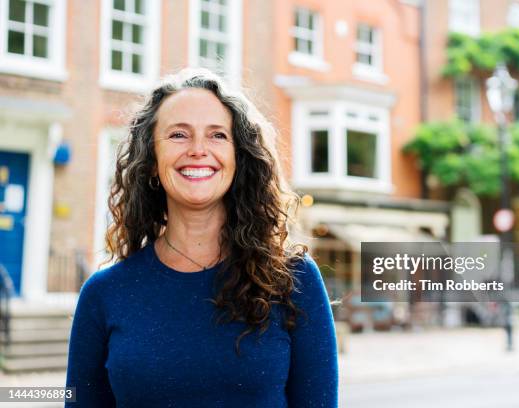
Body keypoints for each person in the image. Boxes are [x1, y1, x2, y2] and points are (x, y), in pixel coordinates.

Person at [65, 68, 338, 407]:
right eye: (178, 135)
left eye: (217, 135)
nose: (198, 149)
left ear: (238, 158)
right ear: (151, 160)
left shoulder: (293, 280)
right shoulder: (104, 294)